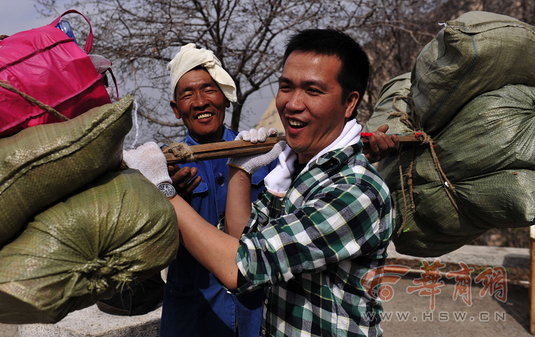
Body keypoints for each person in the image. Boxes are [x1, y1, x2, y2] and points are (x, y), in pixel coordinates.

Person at [125, 28, 394, 336]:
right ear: (176, 109)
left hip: (248, 303)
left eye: (313, 90)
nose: (293, 104)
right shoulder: (292, 169)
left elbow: (243, 264)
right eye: (286, 87)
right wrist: (241, 170)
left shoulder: (354, 190)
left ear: (349, 103)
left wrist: (165, 191)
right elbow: (246, 237)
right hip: (194, 317)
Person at [161, 44, 278, 337]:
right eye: (187, 94)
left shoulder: (259, 153)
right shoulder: (165, 167)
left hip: (256, 311)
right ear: (176, 109)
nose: (200, 102)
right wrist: (166, 201)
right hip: (193, 316)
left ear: (225, 98)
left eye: (209, 90)